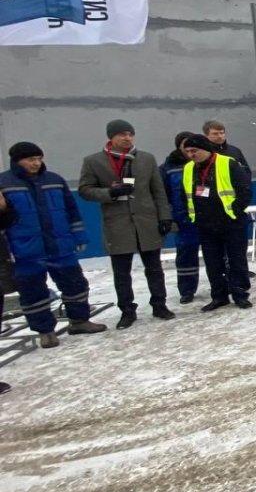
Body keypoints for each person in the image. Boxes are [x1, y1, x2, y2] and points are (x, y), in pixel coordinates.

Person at [0, 143, 108, 348]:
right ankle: (45, 331)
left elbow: (71, 209)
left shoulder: (55, 180)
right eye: (30, 159)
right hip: (25, 249)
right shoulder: (4, 183)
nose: (36, 163)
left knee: (75, 284)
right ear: (17, 160)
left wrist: (79, 235)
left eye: (39, 158)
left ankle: (79, 321)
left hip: (60, 245)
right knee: (33, 293)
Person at [78, 120, 175, 329]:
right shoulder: (94, 161)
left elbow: (158, 190)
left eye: (130, 134)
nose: (127, 138)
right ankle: (127, 311)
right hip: (118, 223)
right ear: (111, 137)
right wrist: (109, 193)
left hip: (146, 222)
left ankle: (160, 304)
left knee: (155, 268)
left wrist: (164, 217)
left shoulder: (146, 159)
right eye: (122, 134)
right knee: (122, 272)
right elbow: (85, 190)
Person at [182, 134, 253, 311]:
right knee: (213, 262)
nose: (191, 154)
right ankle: (219, 296)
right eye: (188, 151)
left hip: (231, 221)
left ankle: (240, 294)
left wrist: (235, 211)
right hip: (205, 223)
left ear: (205, 149)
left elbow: (245, 190)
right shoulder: (189, 168)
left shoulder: (228, 163)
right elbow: (186, 194)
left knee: (237, 260)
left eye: (194, 151)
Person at [159, 132, 203, 304]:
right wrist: (170, 217)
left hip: (206, 217)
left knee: (215, 253)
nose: (189, 150)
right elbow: (163, 195)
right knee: (186, 255)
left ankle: (222, 286)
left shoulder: (203, 164)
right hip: (183, 220)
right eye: (185, 146)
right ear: (179, 147)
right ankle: (187, 290)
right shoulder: (168, 168)